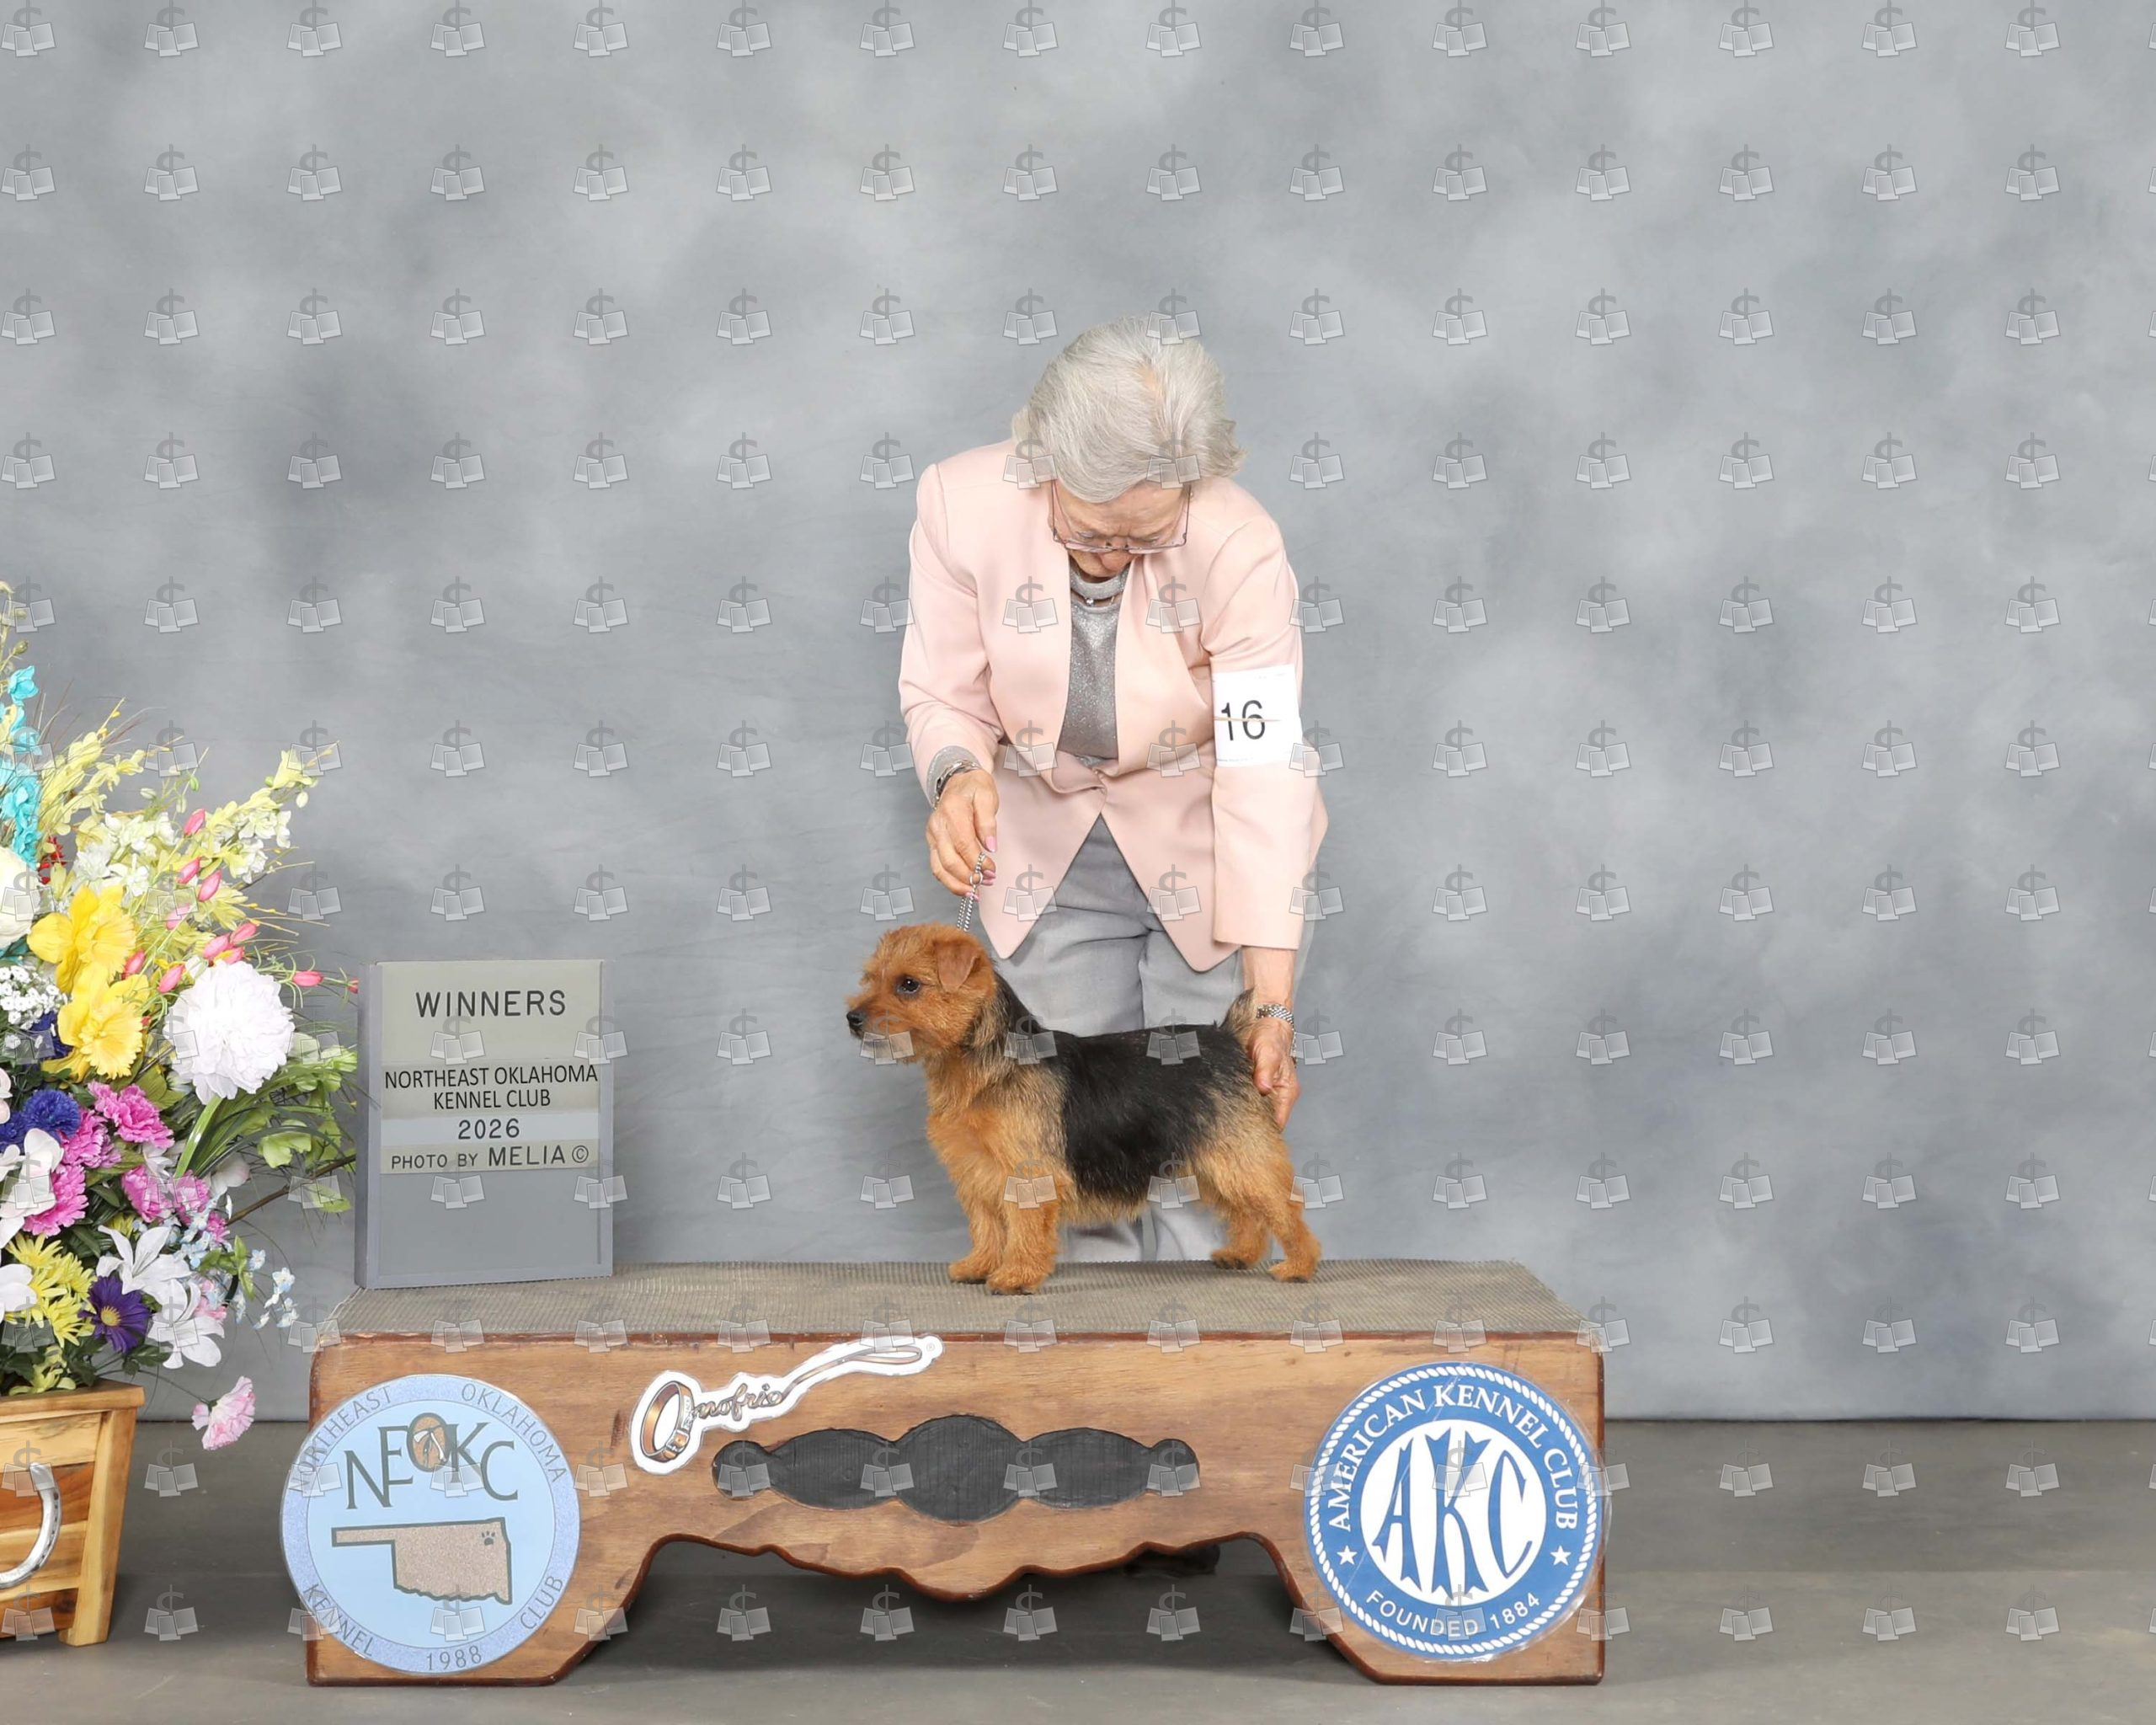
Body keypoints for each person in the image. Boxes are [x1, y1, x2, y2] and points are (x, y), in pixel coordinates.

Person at [897, 315, 1329, 1265]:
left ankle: (1209, 1349)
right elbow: (944, 690)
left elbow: (1264, 769)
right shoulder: (961, 503)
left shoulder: (1241, 543)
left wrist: (1273, 1005)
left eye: (1149, 535)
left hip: (1208, 850)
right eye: (1090, 532)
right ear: (1042, 462)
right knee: (1057, 1163)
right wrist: (958, 772)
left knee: (1200, 1155)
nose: (1114, 557)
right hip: (1042, 851)